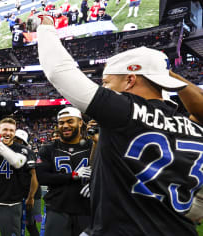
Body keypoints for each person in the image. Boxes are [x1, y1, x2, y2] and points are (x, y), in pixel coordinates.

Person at [37, 16, 203, 235]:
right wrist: (161, 71)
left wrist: (46, 27)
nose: (104, 87)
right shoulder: (194, 127)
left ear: (130, 80)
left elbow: (58, 70)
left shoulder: (126, 112)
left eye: (106, 82)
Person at [36, 107, 92, 236]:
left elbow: (109, 172)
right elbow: (42, 177)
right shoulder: (48, 149)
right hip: (57, 209)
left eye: (70, 121)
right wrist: (73, 175)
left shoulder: (93, 146)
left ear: (80, 123)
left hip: (87, 209)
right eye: (61, 123)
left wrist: (95, 182)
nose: (65, 126)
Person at [14, 129, 41, 236]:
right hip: (20, 193)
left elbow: (34, 176)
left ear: (24, 143)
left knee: (32, 222)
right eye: (15, 139)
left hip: (32, 194)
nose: (16, 142)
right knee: (19, 222)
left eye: (19, 140)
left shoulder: (27, 152)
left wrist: (31, 197)